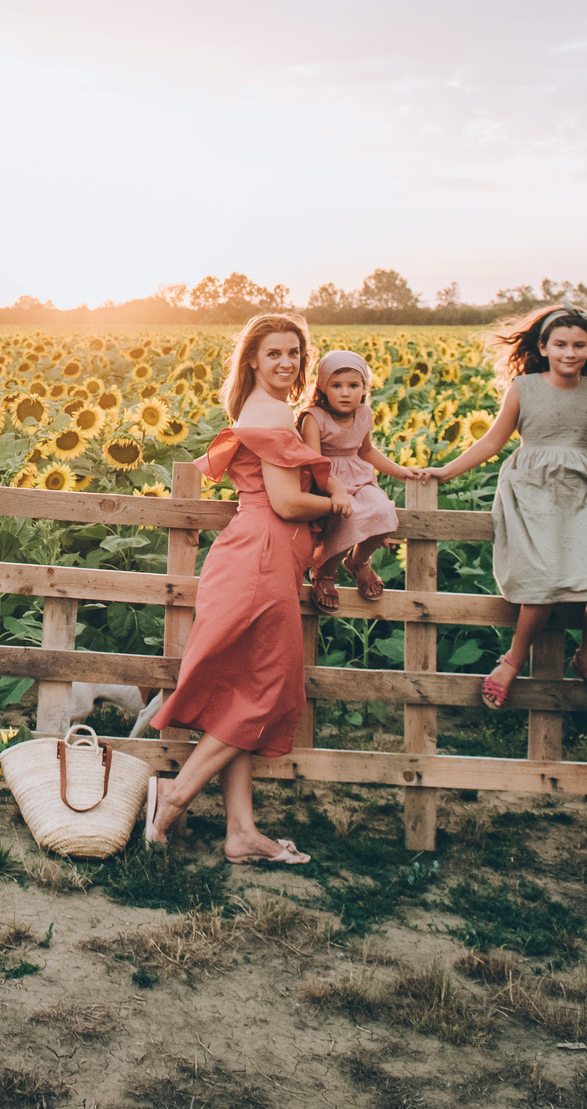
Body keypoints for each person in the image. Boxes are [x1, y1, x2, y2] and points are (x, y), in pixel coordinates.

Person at [146, 311, 335, 865]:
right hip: (262, 557)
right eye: (274, 353)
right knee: (268, 690)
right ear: (252, 358)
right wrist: (341, 503)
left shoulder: (265, 410)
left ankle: (242, 832)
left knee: (241, 692)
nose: (287, 363)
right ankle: (172, 798)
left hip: (258, 556)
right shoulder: (273, 414)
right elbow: (286, 503)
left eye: (295, 354)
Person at [426, 306, 587, 714]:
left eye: (578, 345)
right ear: (543, 347)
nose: (570, 352)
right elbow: (492, 441)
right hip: (535, 492)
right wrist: (446, 471)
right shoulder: (525, 386)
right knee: (543, 580)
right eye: (560, 344)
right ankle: (512, 661)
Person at [295, 349, 417, 607]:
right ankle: (325, 570)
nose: (345, 392)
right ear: (322, 388)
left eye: (353, 385)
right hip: (326, 480)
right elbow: (314, 462)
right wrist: (334, 489)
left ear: (364, 387)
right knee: (345, 518)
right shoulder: (313, 418)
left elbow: (366, 451)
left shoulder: (364, 414)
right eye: (336, 385)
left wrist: (399, 471)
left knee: (384, 513)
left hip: (360, 479)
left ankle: (358, 561)